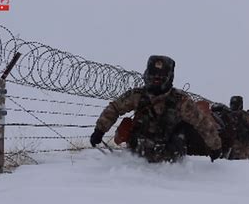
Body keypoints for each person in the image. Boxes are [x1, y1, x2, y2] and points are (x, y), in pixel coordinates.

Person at [90, 55, 222, 163]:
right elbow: (115, 108)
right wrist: (100, 130)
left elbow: (202, 122)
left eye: (161, 77)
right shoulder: (137, 95)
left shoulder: (181, 101)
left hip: (170, 163)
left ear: (169, 77)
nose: (156, 79)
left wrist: (214, 145)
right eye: (153, 75)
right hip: (137, 158)